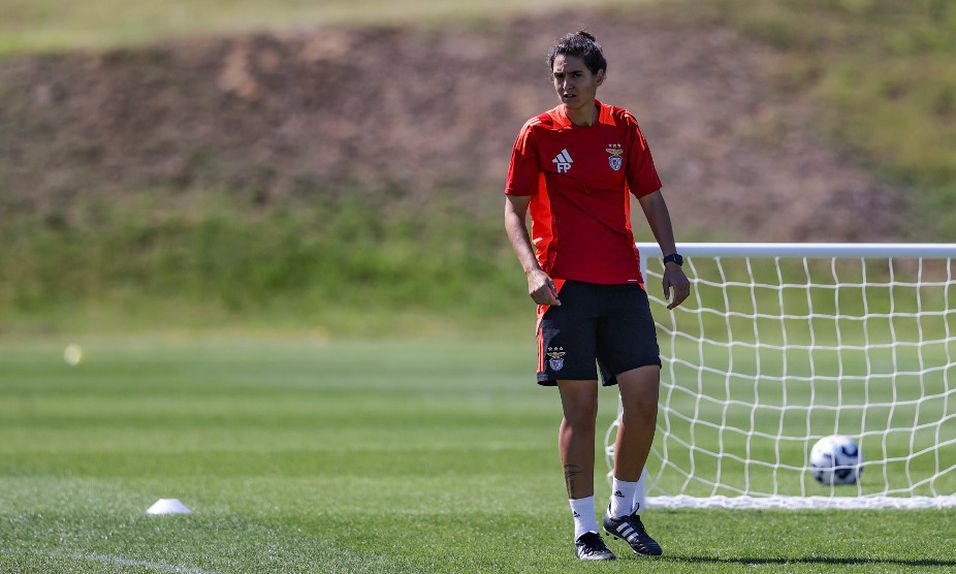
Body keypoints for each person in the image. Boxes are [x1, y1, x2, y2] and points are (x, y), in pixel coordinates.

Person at [503, 30, 690, 561]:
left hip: (622, 285)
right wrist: (531, 270)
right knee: (581, 410)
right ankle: (585, 528)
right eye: (558, 75)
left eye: (575, 75)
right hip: (565, 290)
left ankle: (623, 509)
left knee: (644, 400)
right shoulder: (537, 133)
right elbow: (513, 212)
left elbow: (651, 196)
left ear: (599, 77)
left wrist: (672, 260)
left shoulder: (623, 127)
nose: (565, 85)